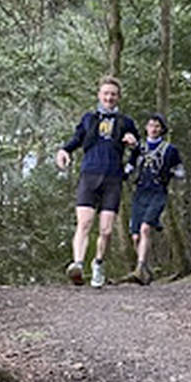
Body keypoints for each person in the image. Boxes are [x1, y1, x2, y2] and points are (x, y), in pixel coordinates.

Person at [56, 75, 139, 288]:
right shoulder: (89, 118)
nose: (109, 98)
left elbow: (138, 150)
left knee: (106, 230)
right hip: (89, 174)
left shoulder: (125, 122)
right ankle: (78, 264)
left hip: (113, 177)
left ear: (118, 97)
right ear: (99, 95)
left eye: (113, 94)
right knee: (84, 223)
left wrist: (132, 150)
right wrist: (64, 150)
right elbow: (76, 139)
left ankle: (98, 263)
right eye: (106, 94)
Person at [123, 112, 185, 285]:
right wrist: (122, 174)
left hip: (158, 192)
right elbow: (130, 165)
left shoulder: (170, 150)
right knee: (136, 236)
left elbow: (181, 171)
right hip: (140, 191)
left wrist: (170, 173)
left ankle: (140, 267)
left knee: (145, 229)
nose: (154, 129)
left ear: (162, 129)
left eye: (157, 126)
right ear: (146, 128)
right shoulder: (139, 147)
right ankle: (145, 269)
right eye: (151, 125)